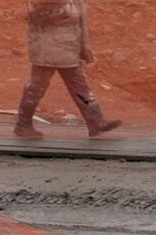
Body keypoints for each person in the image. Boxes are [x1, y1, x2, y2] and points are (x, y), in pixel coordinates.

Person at [15, 0, 123, 140]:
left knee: (79, 87)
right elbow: (42, 15)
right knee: (37, 87)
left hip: (68, 49)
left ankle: (95, 121)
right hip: (47, 49)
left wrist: (84, 49)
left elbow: (80, 25)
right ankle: (23, 124)